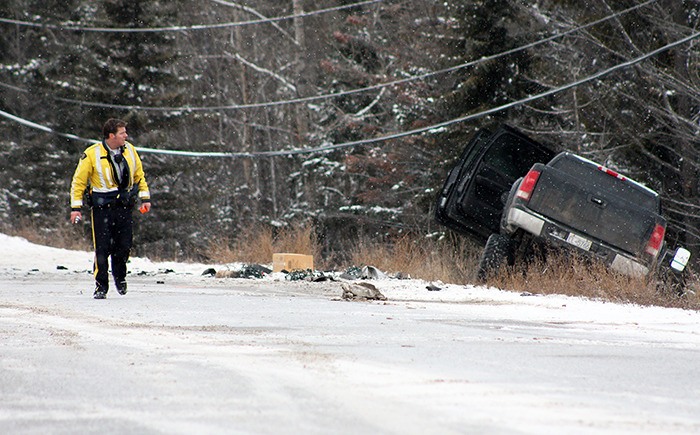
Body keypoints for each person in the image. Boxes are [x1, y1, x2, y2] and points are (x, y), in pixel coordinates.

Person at [70, 119, 151, 299]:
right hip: (102, 208)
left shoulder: (130, 150)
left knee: (124, 246)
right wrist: (76, 207)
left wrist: (145, 198)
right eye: (122, 133)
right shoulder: (91, 154)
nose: (126, 136)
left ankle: (120, 276)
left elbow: (139, 176)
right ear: (111, 135)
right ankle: (101, 286)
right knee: (102, 249)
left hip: (124, 206)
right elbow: (79, 182)